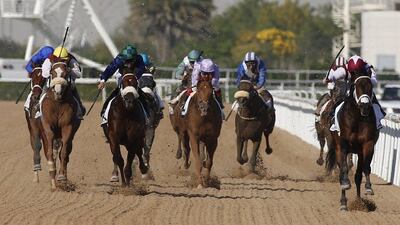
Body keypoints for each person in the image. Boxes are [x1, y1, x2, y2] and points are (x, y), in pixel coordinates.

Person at [330, 55, 385, 130]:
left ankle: (378, 122)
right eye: (353, 72)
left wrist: (367, 80)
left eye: (358, 71)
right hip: (350, 87)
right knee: (339, 102)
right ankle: (334, 121)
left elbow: (374, 81)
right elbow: (333, 76)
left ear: (362, 67)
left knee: (374, 103)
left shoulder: (368, 68)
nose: (356, 73)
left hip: (365, 89)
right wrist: (329, 78)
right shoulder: (344, 69)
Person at [97, 44, 146, 126]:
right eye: (127, 61)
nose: (129, 63)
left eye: (130, 61)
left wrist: (134, 77)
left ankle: (147, 116)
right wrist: (103, 80)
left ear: (135, 58)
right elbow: (110, 68)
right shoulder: (119, 58)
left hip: (134, 75)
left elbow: (141, 69)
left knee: (140, 93)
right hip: (121, 75)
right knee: (118, 91)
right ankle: (105, 116)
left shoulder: (139, 58)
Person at [41, 46, 86, 118]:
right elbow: (44, 74)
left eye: (64, 60)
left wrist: (69, 70)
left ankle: (79, 108)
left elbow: (78, 74)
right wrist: (53, 70)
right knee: (45, 88)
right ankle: (38, 107)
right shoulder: (49, 60)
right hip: (52, 81)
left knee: (73, 87)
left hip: (67, 82)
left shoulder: (71, 59)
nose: (61, 61)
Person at [24, 45, 54, 111]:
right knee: (35, 89)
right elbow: (29, 70)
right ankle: (27, 104)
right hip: (37, 75)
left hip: (47, 75)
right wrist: (35, 74)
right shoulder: (35, 59)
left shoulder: (53, 57)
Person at [138, 53, 164, 118]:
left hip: (140, 87)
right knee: (156, 96)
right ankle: (160, 109)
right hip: (149, 86)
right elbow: (154, 73)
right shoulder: (151, 67)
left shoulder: (137, 67)